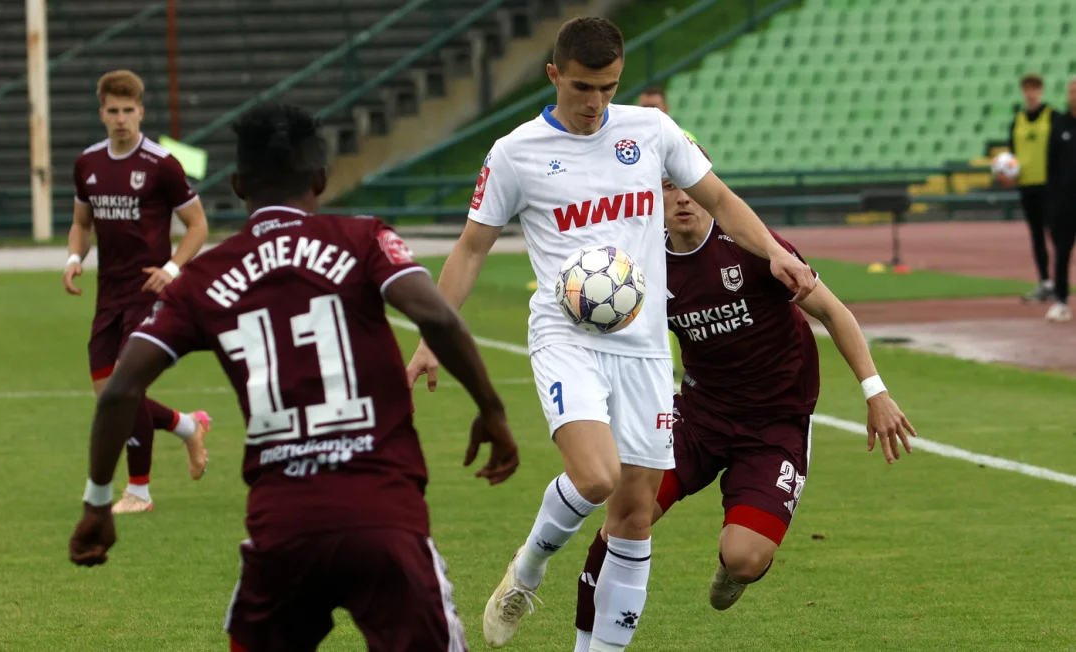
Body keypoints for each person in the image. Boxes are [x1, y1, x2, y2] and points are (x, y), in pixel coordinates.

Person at [404, 16, 815, 652]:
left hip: (647, 350)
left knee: (632, 516)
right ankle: (530, 567)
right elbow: (471, 250)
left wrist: (774, 253)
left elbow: (723, 199)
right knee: (596, 479)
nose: (596, 103)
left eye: (608, 87)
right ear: (553, 76)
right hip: (566, 338)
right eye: (582, 88)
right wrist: (433, 335)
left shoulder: (650, 131)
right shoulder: (515, 152)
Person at [68, 103, 520, 652]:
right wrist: (491, 410)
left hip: (283, 530)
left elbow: (120, 389)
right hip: (382, 516)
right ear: (321, 178)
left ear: (236, 185)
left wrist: (97, 502)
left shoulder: (202, 279)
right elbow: (437, 316)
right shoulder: (363, 239)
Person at [570, 158, 918, 650]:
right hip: (697, 417)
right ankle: (582, 636)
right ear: (653, 200)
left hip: (774, 425)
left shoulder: (756, 248)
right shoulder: (642, 269)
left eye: (690, 187)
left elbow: (835, 313)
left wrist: (875, 391)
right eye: (668, 188)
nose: (683, 198)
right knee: (627, 513)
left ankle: (736, 570)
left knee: (745, 558)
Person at [66, 69, 212, 513]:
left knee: (125, 393)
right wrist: (74, 258)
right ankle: (186, 426)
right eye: (113, 111)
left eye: (129, 111)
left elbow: (198, 225)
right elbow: (81, 223)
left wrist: (171, 268)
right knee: (109, 396)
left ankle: (139, 492)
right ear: (102, 113)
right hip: (107, 294)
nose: (122, 119)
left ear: (141, 112)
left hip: (148, 292)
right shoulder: (87, 163)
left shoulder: (161, 164)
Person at [1007, 73, 1056, 304]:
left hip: (1051, 185)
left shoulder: (1052, 117)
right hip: (1027, 186)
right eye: (1027, 88)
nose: (1031, 92)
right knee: (1037, 236)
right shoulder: (1017, 121)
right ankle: (1045, 281)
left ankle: (1061, 281)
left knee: (1058, 236)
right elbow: (1010, 156)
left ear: (1041, 90)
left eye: (1034, 88)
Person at [1043, 77, 1076, 322]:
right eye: (1072, 91)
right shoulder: (1059, 124)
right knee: (1062, 253)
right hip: (1065, 203)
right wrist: (1052, 203)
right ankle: (1061, 301)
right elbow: (1051, 166)